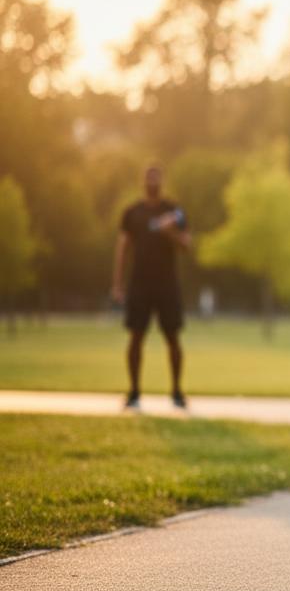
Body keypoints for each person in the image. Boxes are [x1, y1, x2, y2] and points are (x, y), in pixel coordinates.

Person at [111, 165, 192, 411]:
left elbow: (187, 245)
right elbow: (123, 248)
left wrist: (170, 232)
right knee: (136, 337)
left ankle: (177, 391)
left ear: (162, 182)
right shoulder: (132, 213)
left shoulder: (174, 211)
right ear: (143, 182)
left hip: (167, 283)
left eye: (156, 179)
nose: (152, 183)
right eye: (149, 179)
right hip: (140, 283)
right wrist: (117, 284)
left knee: (173, 338)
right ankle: (134, 391)